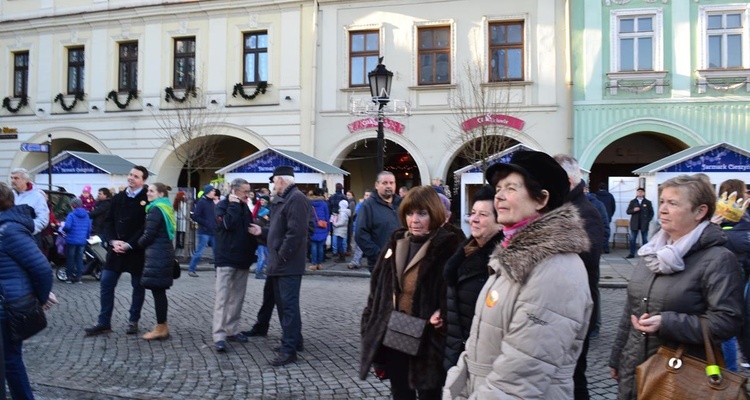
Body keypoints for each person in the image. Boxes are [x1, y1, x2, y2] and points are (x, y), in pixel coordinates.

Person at [444, 151, 593, 399]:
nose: (499, 195)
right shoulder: (513, 255)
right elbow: (475, 346)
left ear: (541, 199)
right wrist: (454, 389)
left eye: (511, 188)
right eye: (499, 187)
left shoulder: (555, 268)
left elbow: (521, 375)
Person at [608, 175, 744, 400]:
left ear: (699, 212)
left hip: (682, 374)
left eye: (673, 203)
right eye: (662, 201)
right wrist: (618, 357)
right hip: (636, 365)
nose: (662, 210)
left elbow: (727, 321)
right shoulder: (651, 252)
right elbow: (630, 311)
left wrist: (668, 322)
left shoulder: (718, 259)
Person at [360, 185, 461, 399]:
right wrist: (370, 320)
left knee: (430, 393)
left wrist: (443, 313)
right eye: (409, 213)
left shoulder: (450, 246)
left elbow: (458, 292)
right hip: (398, 327)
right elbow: (377, 289)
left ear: (435, 214)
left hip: (430, 336)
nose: (414, 219)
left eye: (422, 213)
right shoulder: (396, 243)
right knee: (401, 391)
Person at [554, 154, 604, 400]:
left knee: (575, 374)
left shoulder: (586, 212)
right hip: (560, 305)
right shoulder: (561, 207)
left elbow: (589, 258)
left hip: (576, 305)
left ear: (570, 180)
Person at [0, 183, 54, 399]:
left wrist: (39, 299)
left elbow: (41, 268)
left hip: (7, 307)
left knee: (9, 361)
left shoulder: (8, 230)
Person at [443, 185, 502, 371]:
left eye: (483, 215)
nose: (473, 219)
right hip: (457, 353)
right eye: (473, 212)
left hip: (485, 361)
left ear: (500, 222)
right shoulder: (464, 251)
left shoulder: (500, 262)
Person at [85, 166, 150, 336]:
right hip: (116, 249)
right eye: (130, 174)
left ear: (143, 180)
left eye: (136, 176)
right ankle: (104, 321)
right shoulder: (118, 198)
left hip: (136, 250)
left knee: (138, 286)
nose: (131, 178)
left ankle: (133, 320)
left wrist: (129, 244)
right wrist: (113, 241)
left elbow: (145, 227)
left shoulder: (147, 199)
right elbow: (108, 222)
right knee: (106, 283)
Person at [256, 165, 309, 366]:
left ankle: (289, 350)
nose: (272, 185)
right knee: (284, 305)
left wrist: (282, 256)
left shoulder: (296, 199)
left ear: (281, 180)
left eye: (274, 181)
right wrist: (261, 232)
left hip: (287, 264)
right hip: (281, 263)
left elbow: (296, 233)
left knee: (288, 307)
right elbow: (280, 229)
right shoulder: (286, 199)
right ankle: (294, 341)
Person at [212, 178, 259, 352]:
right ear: (234, 191)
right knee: (222, 298)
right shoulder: (223, 205)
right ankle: (219, 335)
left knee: (237, 298)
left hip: (242, 258)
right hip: (226, 258)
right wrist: (233, 205)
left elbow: (246, 229)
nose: (248, 195)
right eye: (245, 191)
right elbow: (226, 224)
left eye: (248, 191)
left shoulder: (245, 206)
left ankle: (232, 329)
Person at [138, 183, 176, 340]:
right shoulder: (166, 208)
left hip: (157, 255)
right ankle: (162, 326)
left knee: (158, 292)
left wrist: (137, 245)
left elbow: (149, 235)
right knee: (160, 292)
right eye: (148, 191)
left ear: (161, 194)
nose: (148, 193)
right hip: (164, 253)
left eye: (152, 191)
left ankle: (161, 327)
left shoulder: (155, 209)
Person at [355, 171, 402, 272]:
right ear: (377, 185)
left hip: (401, 261)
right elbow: (360, 235)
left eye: (391, 183)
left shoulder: (401, 204)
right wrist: (379, 254)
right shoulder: (368, 206)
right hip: (380, 265)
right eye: (384, 183)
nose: (389, 186)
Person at [10, 168, 49, 237]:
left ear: (26, 180)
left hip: (29, 238)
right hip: (10, 237)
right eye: (11, 178)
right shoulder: (9, 194)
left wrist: (27, 229)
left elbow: (43, 219)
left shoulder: (37, 196)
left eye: (16, 178)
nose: (12, 181)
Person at [187, 185, 217, 277]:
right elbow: (195, 216)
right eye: (212, 190)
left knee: (217, 251)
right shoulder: (202, 202)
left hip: (213, 231)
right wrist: (206, 223)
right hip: (204, 231)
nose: (214, 192)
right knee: (200, 251)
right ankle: (191, 269)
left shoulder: (212, 203)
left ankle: (218, 271)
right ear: (208, 192)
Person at [62, 198, 92, 284]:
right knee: (79, 258)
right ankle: (79, 277)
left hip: (72, 240)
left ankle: (69, 277)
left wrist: (64, 229)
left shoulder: (71, 215)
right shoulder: (86, 215)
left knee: (70, 258)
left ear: (72, 206)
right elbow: (89, 228)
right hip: (82, 240)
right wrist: (86, 237)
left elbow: (67, 227)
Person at [626, 187, 654, 258]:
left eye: (641, 192)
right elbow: (628, 211)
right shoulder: (633, 202)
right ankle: (632, 253)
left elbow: (651, 213)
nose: (640, 193)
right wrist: (633, 210)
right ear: (637, 193)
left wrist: (648, 220)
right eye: (638, 192)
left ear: (644, 193)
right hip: (635, 223)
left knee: (644, 239)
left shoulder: (647, 202)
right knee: (633, 239)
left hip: (644, 223)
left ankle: (645, 253)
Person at [348, 191, 371, 270]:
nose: (367, 196)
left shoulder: (371, 205)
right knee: (355, 246)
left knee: (362, 247)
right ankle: (356, 261)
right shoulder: (360, 204)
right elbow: (357, 212)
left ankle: (356, 261)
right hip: (357, 227)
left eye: (368, 195)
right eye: (366, 195)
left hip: (366, 229)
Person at [308, 188, 329, 271]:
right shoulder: (324, 204)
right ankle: (319, 264)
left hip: (312, 227)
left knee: (313, 246)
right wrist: (328, 228)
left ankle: (313, 263)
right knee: (320, 246)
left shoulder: (310, 203)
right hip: (322, 226)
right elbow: (327, 216)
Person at [594, 183, 615, 253]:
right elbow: (613, 207)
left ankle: (598, 247)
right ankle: (606, 247)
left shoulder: (595, 196)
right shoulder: (610, 196)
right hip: (607, 216)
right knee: (606, 232)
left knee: (597, 232)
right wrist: (610, 215)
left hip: (597, 217)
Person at [254, 194, 270, 279]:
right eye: (261, 200)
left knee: (266, 257)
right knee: (262, 257)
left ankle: (262, 271)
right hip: (261, 241)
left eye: (264, 200)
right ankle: (258, 272)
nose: (262, 202)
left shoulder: (266, 211)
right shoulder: (260, 218)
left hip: (264, 241)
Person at [331, 198, 350, 263]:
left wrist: (335, 224)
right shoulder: (344, 212)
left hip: (340, 231)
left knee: (340, 245)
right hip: (342, 231)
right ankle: (341, 257)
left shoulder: (343, 213)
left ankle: (342, 257)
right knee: (340, 244)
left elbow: (342, 222)